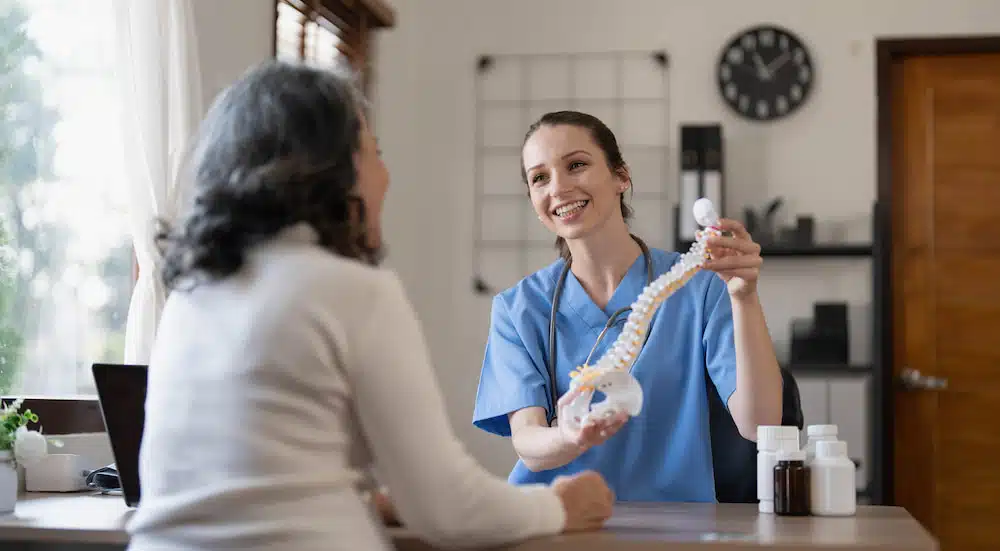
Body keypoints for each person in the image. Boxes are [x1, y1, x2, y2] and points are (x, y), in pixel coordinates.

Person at [125, 63, 614, 551]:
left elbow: (255, 485)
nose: (385, 176)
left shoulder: (192, 296)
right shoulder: (350, 290)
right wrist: (562, 507)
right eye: (373, 154)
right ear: (332, 172)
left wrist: (363, 497)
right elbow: (448, 508)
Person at [471, 110, 784, 503]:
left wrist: (744, 296)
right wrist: (569, 436)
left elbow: (761, 423)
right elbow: (529, 447)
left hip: (673, 528)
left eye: (577, 165)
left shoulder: (700, 286)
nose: (559, 187)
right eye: (540, 178)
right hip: (558, 521)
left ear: (621, 176)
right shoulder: (518, 309)